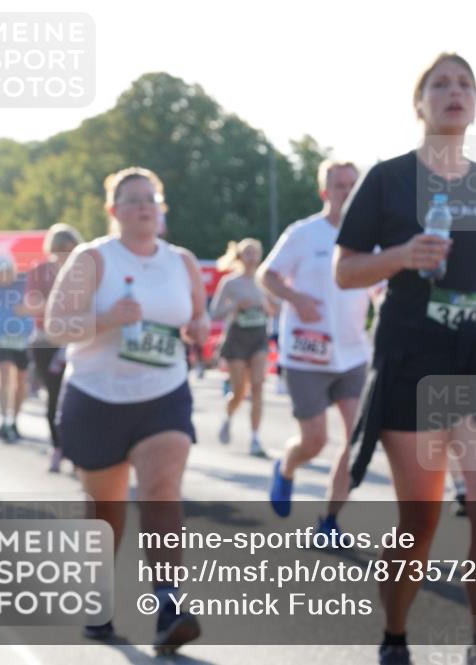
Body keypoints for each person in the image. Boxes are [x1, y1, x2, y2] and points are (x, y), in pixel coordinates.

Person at [333, 53, 476, 665]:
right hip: (415, 360)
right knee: (418, 521)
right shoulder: (388, 179)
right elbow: (346, 270)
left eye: (465, 84)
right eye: (440, 84)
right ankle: (395, 637)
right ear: (418, 104)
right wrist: (400, 255)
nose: (455, 92)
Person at [46, 166, 209, 652]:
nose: (143, 206)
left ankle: (169, 602)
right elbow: (57, 326)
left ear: (161, 209)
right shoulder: (94, 259)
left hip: (163, 394)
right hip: (98, 398)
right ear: (114, 211)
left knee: (162, 488)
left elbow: (197, 316)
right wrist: (107, 319)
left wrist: (197, 329)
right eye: (132, 199)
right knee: (106, 510)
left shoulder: (181, 261)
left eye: (151, 198)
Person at [259, 159, 374, 541]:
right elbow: (267, 274)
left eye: (352, 185)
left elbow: (380, 288)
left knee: (354, 439)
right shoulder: (304, 234)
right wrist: (296, 298)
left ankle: (328, 521)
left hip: (353, 354)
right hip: (306, 355)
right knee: (315, 440)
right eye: (339, 185)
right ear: (325, 192)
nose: (346, 192)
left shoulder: (372, 239)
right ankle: (287, 467)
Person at [19, 224, 83, 471]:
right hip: (47, 340)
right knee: (55, 397)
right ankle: (58, 447)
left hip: (79, 339)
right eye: (59, 250)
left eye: (69, 250)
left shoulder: (84, 270)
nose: (63, 255)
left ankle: (78, 452)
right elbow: (31, 304)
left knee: (79, 397)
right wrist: (57, 305)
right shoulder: (40, 271)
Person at [211, 238, 275, 458]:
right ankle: (228, 417)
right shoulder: (230, 283)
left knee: (258, 386)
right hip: (236, 337)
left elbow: (277, 309)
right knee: (240, 391)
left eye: (255, 253)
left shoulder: (265, 282)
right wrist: (236, 307)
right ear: (239, 256)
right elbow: (215, 312)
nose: (252, 257)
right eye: (247, 253)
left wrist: (266, 307)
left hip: (258, 337)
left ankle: (255, 439)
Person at [0, 254, 33, 443]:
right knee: (4, 374)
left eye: (7, 272)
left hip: (22, 337)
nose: (3, 276)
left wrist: (27, 308)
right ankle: (4, 419)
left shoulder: (24, 281)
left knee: (21, 380)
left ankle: (15, 419)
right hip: (0, 336)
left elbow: (38, 302)